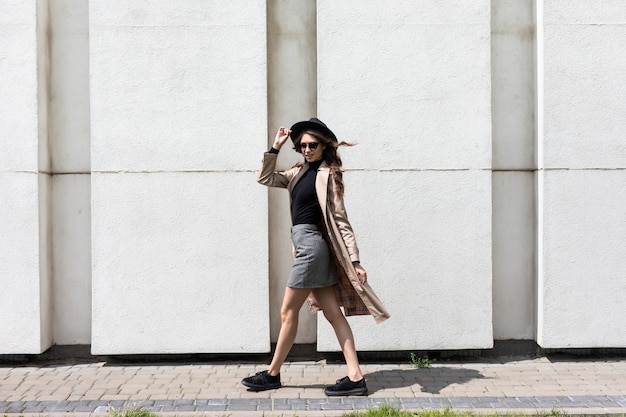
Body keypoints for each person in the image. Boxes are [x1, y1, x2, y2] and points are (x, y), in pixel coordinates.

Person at [242, 118, 390, 397]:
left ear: (324, 146)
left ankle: (272, 374)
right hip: (306, 246)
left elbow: (341, 221)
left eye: (312, 145)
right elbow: (264, 177)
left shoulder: (328, 176)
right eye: (302, 145)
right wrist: (275, 148)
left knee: (288, 312)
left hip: (312, 249)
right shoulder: (296, 172)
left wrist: (355, 261)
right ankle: (356, 377)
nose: (307, 149)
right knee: (333, 314)